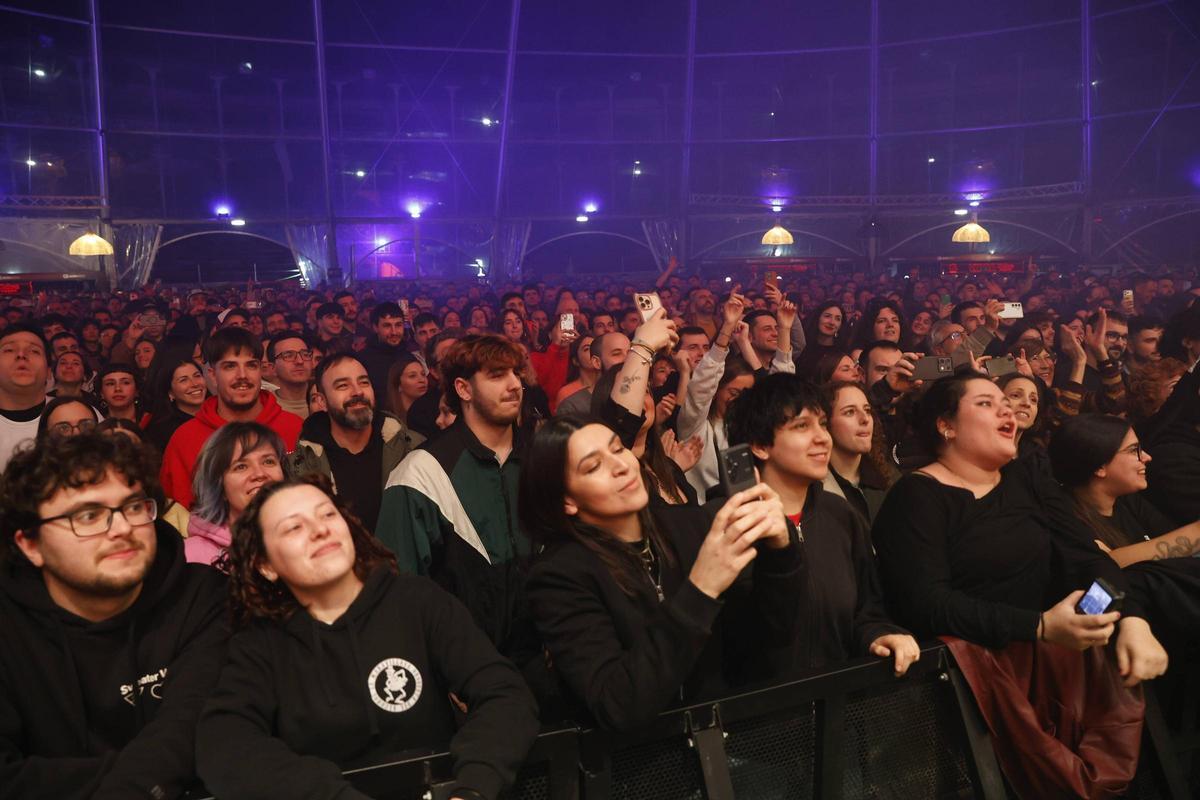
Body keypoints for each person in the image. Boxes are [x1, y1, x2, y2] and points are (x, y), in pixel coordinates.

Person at [196, 476, 539, 800]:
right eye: (294, 528)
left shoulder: (416, 601)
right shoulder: (261, 643)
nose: (320, 530)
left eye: (327, 513)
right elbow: (224, 744)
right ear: (265, 565)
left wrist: (473, 787)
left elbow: (504, 693)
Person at [520, 416, 803, 730]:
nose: (621, 466)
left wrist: (780, 555)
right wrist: (701, 586)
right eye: (593, 466)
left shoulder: (689, 526)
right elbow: (617, 702)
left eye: (618, 449)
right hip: (642, 768)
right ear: (568, 500)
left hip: (723, 744)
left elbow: (763, 644)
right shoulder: (558, 577)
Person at [0, 432, 228, 798]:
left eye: (135, 507)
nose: (122, 529)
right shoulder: (9, 629)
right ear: (30, 544)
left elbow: (190, 730)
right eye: (89, 516)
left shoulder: (201, 596)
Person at [724, 374, 916, 674]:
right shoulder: (728, 524)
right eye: (802, 426)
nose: (822, 438)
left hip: (836, 705)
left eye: (823, 424)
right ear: (761, 445)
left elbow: (867, 610)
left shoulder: (841, 514)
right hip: (755, 713)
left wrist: (878, 634)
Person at [375, 335, 538, 671]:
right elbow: (397, 589)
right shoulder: (421, 473)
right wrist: (438, 668)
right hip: (467, 668)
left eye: (515, 373)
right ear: (464, 390)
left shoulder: (541, 457)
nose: (514, 386)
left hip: (546, 662)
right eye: (496, 375)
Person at [161, 327, 303, 508]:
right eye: (230, 366)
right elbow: (178, 517)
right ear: (212, 375)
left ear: (260, 370)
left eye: (251, 365)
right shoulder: (185, 438)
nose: (242, 375)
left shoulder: (294, 426)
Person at [294, 354, 423, 531]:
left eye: (363, 382)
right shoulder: (302, 463)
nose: (357, 391)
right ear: (322, 401)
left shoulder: (412, 447)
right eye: (343, 385)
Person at [1049, 413, 1199, 565]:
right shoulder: (1065, 519)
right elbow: (1106, 566)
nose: (1147, 457)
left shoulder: (1128, 500)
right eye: (1134, 450)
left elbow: (1174, 546)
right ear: (1099, 466)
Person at [187, 422, 289, 566]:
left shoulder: (306, 539)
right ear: (219, 485)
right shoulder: (193, 555)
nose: (259, 474)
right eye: (241, 466)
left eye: (268, 461)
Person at [818, 380, 897, 524]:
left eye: (867, 410)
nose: (865, 419)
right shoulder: (812, 490)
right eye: (849, 412)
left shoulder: (889, 479)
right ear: (825, 423)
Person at [0, 324, 49, 473]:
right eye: (9, 349)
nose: (21, 355)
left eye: (34, 351)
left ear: (49, 371)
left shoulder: (81, 415)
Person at [143, 353, 208, 453]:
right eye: (183, 380)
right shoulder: (160, 431)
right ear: (170, 393)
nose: (195, 384)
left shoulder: (220, 414)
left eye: (197, 376)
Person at [358, 301, 408, 400]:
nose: (394, 332)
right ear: (375, 327)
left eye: (398, 325)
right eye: (387, 326)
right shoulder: (363, 360)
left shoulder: (408, 357)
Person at [264, 332, 314, 419]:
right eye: (288, 356)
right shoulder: (265, 406)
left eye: (305, 354)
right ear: (272, 368)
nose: (300, 361)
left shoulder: (325, 401)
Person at [385, 353, 428, 420]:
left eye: (423, 374)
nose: (422, 380)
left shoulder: (432, 411)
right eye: (412, 376)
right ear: (398, 384)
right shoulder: (389, 419)